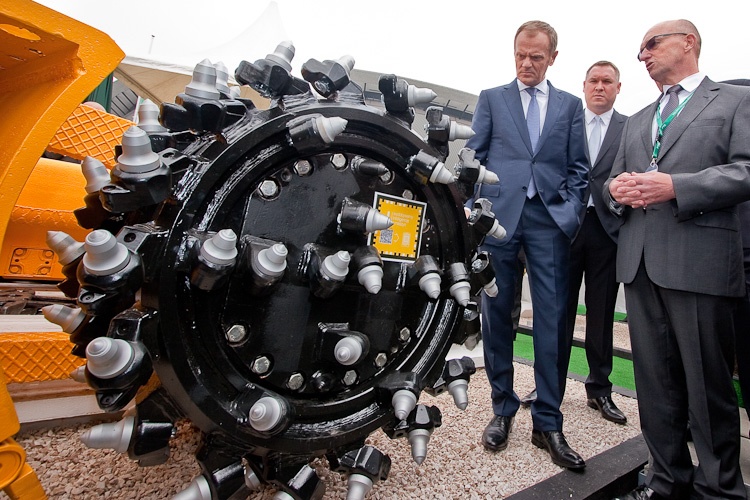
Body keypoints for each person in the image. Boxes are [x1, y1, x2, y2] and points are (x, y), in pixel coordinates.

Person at [606, 19, 750, 500]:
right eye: (640, 50)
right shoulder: (637, 118)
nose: (642, 56)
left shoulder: (735, 100)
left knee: (708, 390)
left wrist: (677, 186)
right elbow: (611, 182)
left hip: (700, 264)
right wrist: (615, 192)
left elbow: (746, 170)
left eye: (651, 44)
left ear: (688, 42)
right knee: (655, 387)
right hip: (640, 264)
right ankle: (666, 483)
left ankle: (719, 490)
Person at [466, 20, 588, 470]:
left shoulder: (570, 105)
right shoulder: (492, 98)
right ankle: (502, 409)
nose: (526, 63)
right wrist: (474, 211)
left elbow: (579, 168)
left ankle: (548, 423)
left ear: (553, 57)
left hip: (549, 223)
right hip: (499, 221)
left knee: (552, 321)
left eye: (536, 56)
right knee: (496, 316)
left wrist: (569, 215)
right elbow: (473, 157)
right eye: (520, 55)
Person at [566, 61, 628, 424]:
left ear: (618, 88)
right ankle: (548, 386)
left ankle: (600, 390)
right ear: (584, 85)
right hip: (567, 229)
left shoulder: (630, 128)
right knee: (558, 312)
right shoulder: (566, 124)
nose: (600, 86)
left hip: (607, 231)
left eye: (607, 81)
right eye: (594, 80)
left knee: (602, 314)